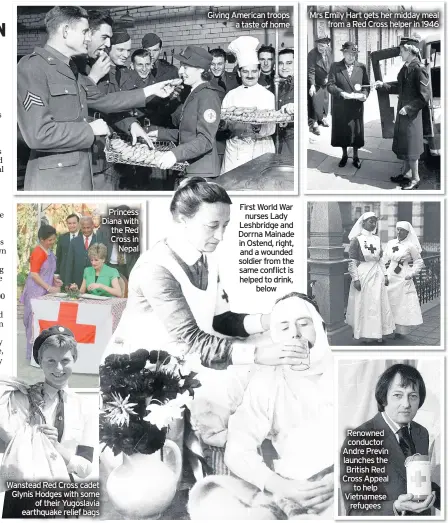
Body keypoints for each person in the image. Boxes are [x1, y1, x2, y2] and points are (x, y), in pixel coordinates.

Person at [102, 177, 306, 371]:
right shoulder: (155, 269)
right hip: (135, 375)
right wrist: (258, 355)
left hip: (179, 369)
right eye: (212, 226)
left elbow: (221, 321)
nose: (220, 236)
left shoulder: (207, 258)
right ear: (183, 220)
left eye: (225, 226)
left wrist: (271, 320)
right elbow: (190, 339)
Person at [189, 293, 334, 520]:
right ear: (275, 337)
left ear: (320, 327)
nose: (295, 333)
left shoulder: (346, 367)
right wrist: (282, 487)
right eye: (284, 328)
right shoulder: (268, 379)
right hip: (292, 489)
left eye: (304, 324)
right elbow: (238, 450)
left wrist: (340, 478)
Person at [17, 6, 178, 191]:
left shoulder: (70, 69)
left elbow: (104, 100)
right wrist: (89, 129)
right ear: (66, 31)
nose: (88, 37)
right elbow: (38, 135)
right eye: (85, 31)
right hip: (55, 181)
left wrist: (152, 90)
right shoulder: (32, 67)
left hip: (82, 176)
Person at [0, 326, 96, 518]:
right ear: (40, 362)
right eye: (51, 361)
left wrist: (59, 448)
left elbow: (85, 469)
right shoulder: (22, 398)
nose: (59, 368)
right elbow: (6, 444)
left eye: (65, 360)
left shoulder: (84, 406)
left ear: (74, 359)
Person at [340, 364, 440, 516]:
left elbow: (419, 481)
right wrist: (396, 507)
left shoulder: (421, 433)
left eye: (413, 396)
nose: (406, 404)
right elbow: (355, 511)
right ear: (383, 397)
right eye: (398, 395)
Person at [148, 46, 222, 177]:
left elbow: (205, 140)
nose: (181, 71)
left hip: (201, 173)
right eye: (181, 66)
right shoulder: (194, 93)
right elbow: (188, 133)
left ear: (200, 70)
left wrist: (175, 154)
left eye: (185, 67)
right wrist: (160, 134)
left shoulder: (208, 96)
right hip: (191, 168)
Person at [375, 37, 431, 190]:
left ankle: (415, 178)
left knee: (412, 150)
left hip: (412, 117)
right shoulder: (405, 67)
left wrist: (408, 108)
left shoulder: (419, 69)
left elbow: (424, 97)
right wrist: (383, 85)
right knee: (405, 146)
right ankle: (406, 175)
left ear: (409, 51)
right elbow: (399, 87)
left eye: (401, 50)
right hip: (403, 114)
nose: (400, 53)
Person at [220, 36, 276, 174]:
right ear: (239, 72)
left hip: (260, 148)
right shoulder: (230, 95)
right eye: (245, 71)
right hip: (235, 151)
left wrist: (258, 127)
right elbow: (224, 123)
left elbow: (272, 128)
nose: (250, 75)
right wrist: (223, 124)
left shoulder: (268, 95)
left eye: (254, 71)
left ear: (259, 72)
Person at [345, 212, 395, 343]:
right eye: (370, 221)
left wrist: (385, 275)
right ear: (363, 223)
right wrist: (355, 279)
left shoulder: (377, 239)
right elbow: (352, 261)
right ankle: (365, 334)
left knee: (378, 303)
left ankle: (377, 333)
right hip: (363, 274)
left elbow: (380, 260)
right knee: (365, 304)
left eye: (375, 222)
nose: (373, 224)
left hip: (377, 274)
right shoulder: (357, 240)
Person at [20, 225, 62, 361]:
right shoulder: (38, 252)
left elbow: (46, 271)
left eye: (54, 239)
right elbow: (34, 274)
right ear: (42, 240)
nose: (52, 242)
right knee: (33, 323)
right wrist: (49, 288)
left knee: (43, 323)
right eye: (50, 240)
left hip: (44, 290)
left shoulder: (48, 250)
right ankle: (32, 355)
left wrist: (54, 279)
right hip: (35, 291)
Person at [327, 42, 369, 169]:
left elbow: (366, 85)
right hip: (341, 105)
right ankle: (344, 155)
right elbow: (330, 85)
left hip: (356, 106)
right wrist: (341, 93)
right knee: (342, 131)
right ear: (343, 53)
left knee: (356, 132)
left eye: (354, 54)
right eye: (349, 54)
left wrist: (364, 95)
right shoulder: (335, 66)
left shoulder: (362, 67)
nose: (352, 56)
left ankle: (356, 156)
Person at [383, 221, 424, 338]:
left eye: (402, 230)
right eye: (398, 229)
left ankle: (400, 330)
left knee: (401, 303)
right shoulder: (390, 243)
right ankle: (388, 327)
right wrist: (384, 273)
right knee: (388, 300)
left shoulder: (411, 246)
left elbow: (419, 261)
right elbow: (384, 258)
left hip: (403, 276)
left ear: (407, 232)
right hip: (391, 274)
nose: (399, 232)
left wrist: (411, 274)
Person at [64, 216, 99, 287]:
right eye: (83, 228)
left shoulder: (99, 240)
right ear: (80, 227)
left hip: (94, 281)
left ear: (92, 226)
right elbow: (69, 263)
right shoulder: (74, 242)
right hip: (77, 282)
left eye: (88, 227)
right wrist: (67, 283)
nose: (86, 230)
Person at [308, 36, 332, 136]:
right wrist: (312, 85)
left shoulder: (329, 51)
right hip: (315, 81)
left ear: (327, 45)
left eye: (322, 46)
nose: (320, 48)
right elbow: (311, 70)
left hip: (325, 81)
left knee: (325, 101)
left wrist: (329, 77)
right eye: (318, 45)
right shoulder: (312, 54)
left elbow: (331, 64)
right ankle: (313, 124)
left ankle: (323, 119)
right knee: (315, 102)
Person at [278, 48, 295, 155]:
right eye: (281, 63)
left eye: (288, 63)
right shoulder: (275, 84)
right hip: (277, 138)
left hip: (293, 138)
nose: (284, 67)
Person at [56, 213, 80, 287]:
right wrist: (57, 273)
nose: (72, 225)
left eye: (74, 223)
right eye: (69, 223)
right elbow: (58, 257)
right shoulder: (62, 238)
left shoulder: (84, 237)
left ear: (78, 223)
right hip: (64, 274)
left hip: (79, 273)